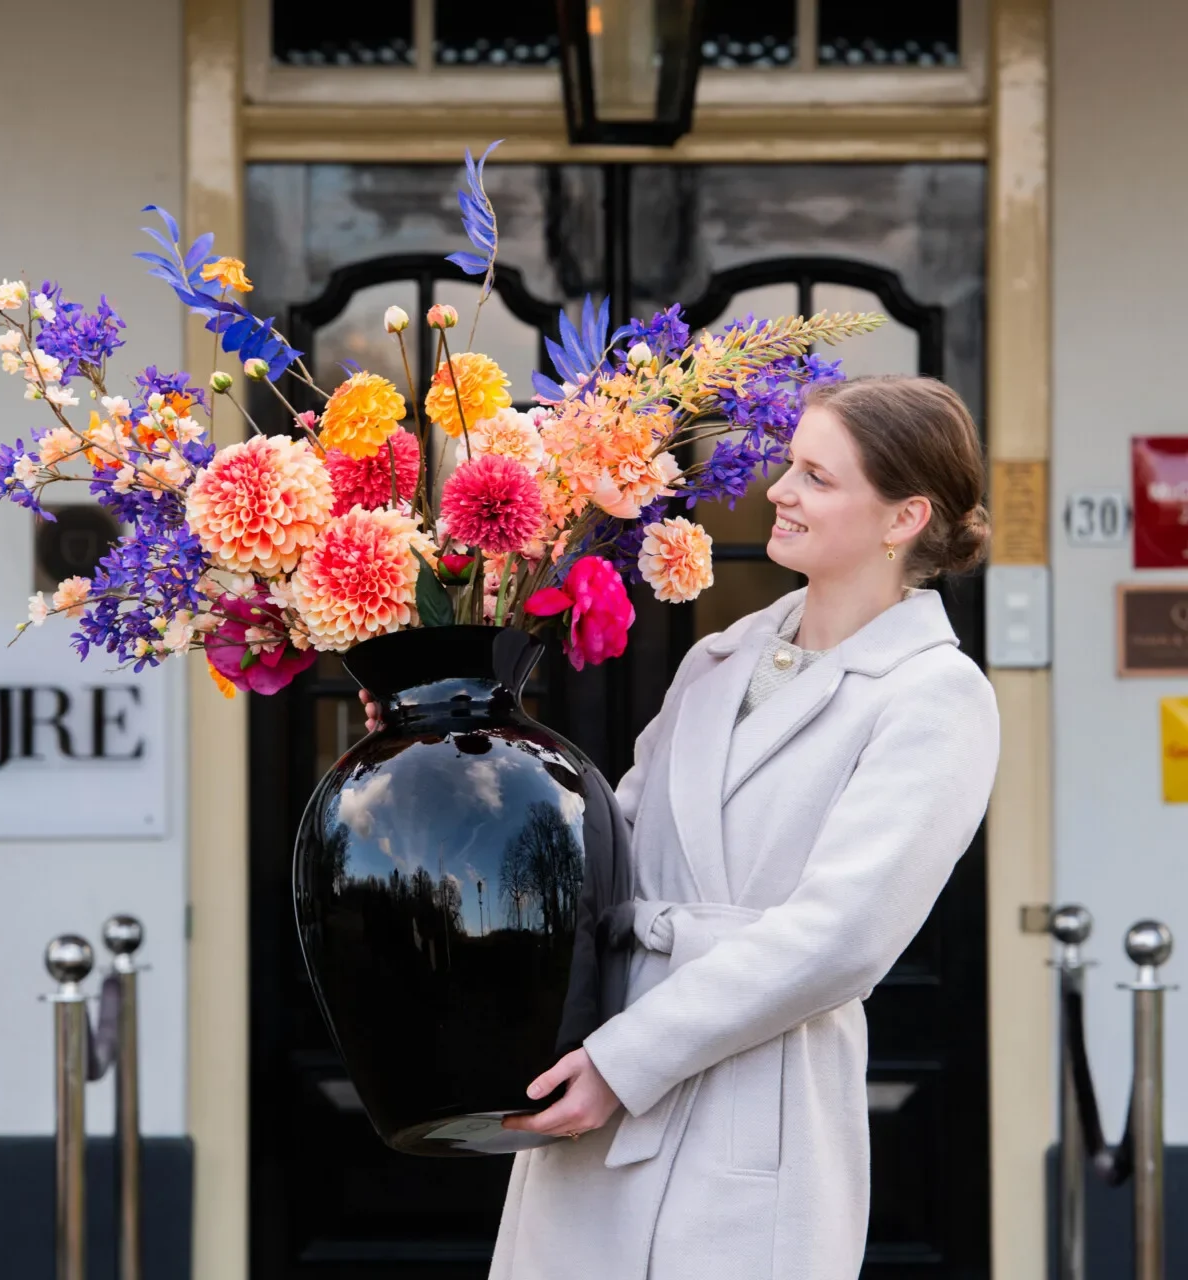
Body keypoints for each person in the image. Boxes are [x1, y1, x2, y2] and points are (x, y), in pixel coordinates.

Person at [361, 375, 1001, 1279]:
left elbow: (842, 938)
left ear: (904, 519)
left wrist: (627, 1063)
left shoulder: (937, 696)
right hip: (604, 1067)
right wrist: (440, 751)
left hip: (744, 1099)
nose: (778, 490)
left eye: (818, 476)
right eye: (789, 466)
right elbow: (611, 845)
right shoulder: (720, 655)